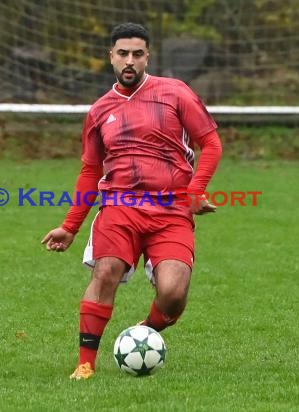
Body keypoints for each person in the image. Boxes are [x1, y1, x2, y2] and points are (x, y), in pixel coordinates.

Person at [41, 22, 222, 380]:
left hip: (171, 209)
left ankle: (144, 332)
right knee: (106, 271)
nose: (130, 61)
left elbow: (212, 144)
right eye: (122, 53)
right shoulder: (99, 111)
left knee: (173, 293)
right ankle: (85, 364)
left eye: (137, 54)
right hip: (119, 207)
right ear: (111, 57)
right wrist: (69, 226)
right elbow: (91, 171)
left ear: (147, 57)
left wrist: (194, 190)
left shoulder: (175, 93)